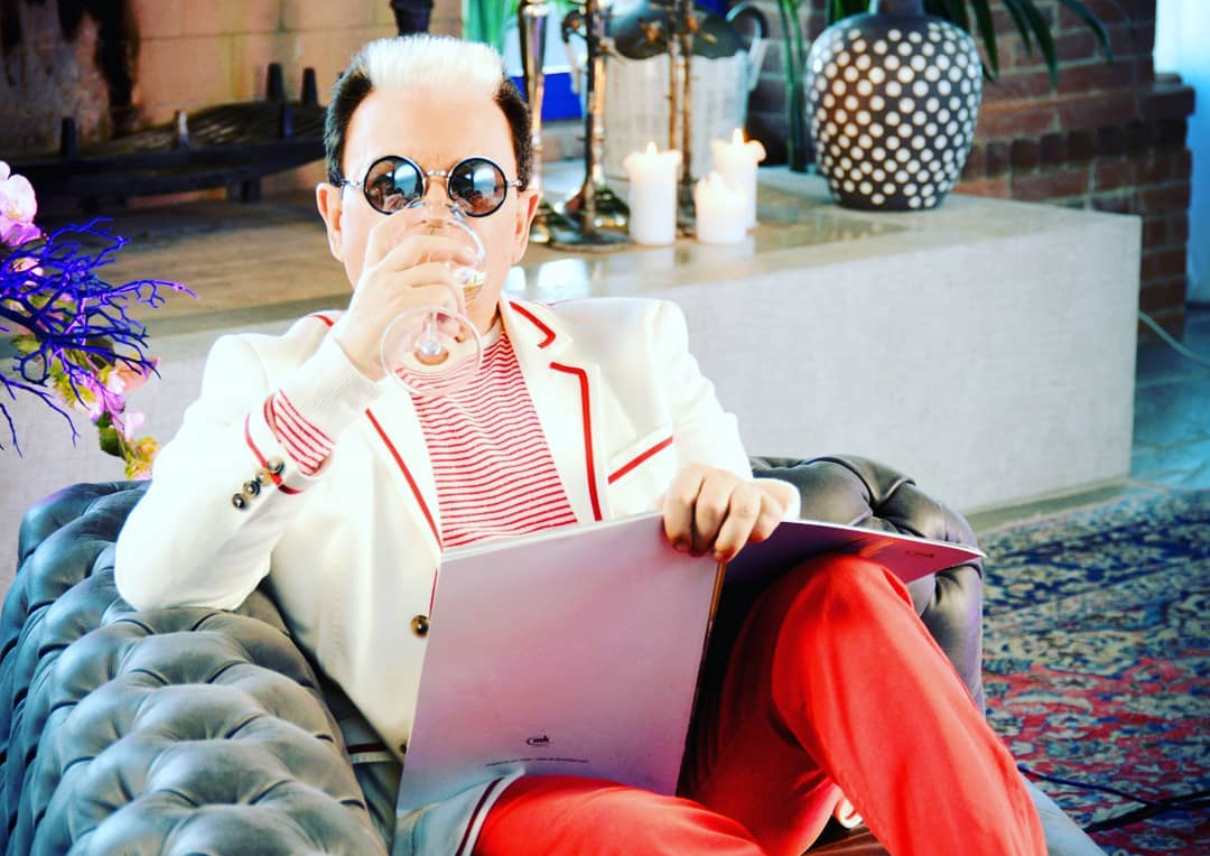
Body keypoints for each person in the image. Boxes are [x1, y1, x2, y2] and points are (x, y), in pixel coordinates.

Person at [114, 34, 1044, 856]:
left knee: (843, 594)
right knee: (636, 836)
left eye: (473, 187)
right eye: (392, 185)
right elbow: (159, 576)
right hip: (502, 797)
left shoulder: (636, 342)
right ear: (336, 217)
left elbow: (747, 516)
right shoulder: (274, 377)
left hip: (693, 746)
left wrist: (744, 507)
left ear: (520, 220)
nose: (434, 218)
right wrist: (352, 362)